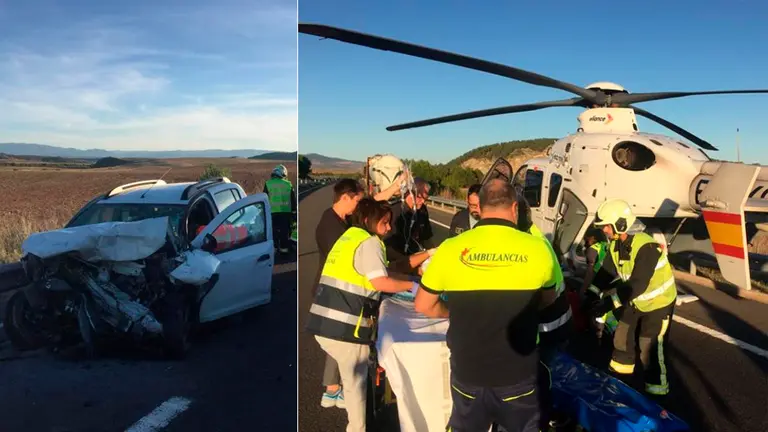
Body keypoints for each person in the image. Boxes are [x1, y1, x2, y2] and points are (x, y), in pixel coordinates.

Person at [414, 179, 557, 431]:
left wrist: (450, 311)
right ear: (515, 208)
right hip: (517, 375)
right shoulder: (538, 249)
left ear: (479, 207)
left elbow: (423, 305)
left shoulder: (451, 249)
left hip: (468, 372)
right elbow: (548, 299)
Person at [306, 198, 418, 432]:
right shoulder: (370, 243)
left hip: (324, 323)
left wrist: (415, 268)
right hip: (345, 328)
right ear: (368, 220)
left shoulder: (349, 238)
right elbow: (380, 281)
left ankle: (340, 402)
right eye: (385, 223)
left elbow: (386, 270)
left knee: (352, 386)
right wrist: (413, 288)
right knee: (356, 393)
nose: (390, 228)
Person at [587, 199, 677, 398]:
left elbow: (638, 283)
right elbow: (606, 272)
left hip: (658, 304)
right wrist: (591, 293)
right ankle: (620, 383)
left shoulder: (647, 247)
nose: (605, 232)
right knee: (621, 338)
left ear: (620, 224)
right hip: (635, 300)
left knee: (649, 347)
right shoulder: (615, 245)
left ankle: (658, 394)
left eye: (607, 227)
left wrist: (609, 304)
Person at [314, 179, 365, 409]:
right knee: (340, 338)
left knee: (339, 337)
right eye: (357, 200)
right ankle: (334, 389)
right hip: (332, 290)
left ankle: (333, 389)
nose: (358, 206)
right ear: (345, 197)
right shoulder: (330, 225)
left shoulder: (341, 220)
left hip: (335, 289)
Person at [384, 177, 434, 264]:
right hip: (396, 261)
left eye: (425, 199)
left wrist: (433, 255)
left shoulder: (422, 210)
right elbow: (388, 245)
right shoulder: (395, 211)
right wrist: (406, 262)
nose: (422, 202)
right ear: (409, 193)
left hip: (416, 257)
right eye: (419, 197)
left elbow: (427, 238)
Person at [264, 164, 296, 254]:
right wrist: (294, 213)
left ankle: (273, 249)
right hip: (285, 212)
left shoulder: (268, 184)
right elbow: (293, 200)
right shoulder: (288, 184)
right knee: (284, 232)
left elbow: (265, 198)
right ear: (283, 174)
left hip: (272, 213)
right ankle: (284, 250)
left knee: (272, 231)